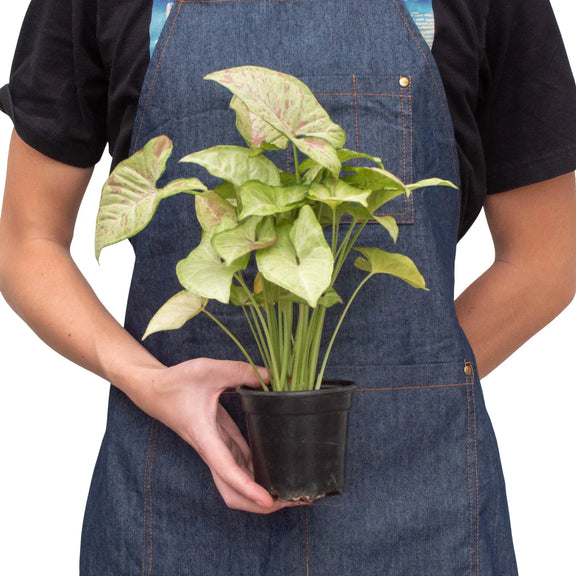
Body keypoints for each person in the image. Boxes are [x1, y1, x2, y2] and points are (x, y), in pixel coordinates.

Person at [0, 0, 575, 574]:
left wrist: (418, 386)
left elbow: (548, 254)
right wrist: (149, 382)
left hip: (421, 498)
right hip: (176, 496)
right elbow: (27, 239)